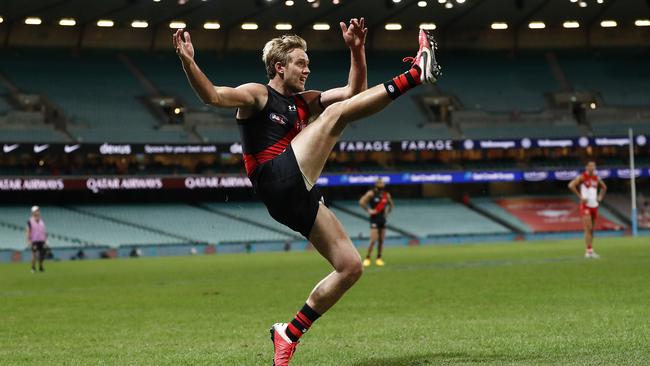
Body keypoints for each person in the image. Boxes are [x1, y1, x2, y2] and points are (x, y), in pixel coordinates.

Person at [174, 19, 440, 365]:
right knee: (334, 115)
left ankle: (289, 333)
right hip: (274, 178)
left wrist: (356, 50)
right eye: (301, 62)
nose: (307, 69)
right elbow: (212, 96)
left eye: (308, 63)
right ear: (279, 66)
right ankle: (416, 75)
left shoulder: (304, 101)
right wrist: (188, 61)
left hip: (297, 195)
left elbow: (354, 95)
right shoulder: (258, 94)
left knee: (350, 267)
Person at [568, 161, 607, 259]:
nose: (592, 167)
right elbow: (571, 185)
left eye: (594, 165)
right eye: (590, 166)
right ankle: (588, 251)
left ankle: (590, 250)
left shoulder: (596, 178)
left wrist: (600, 197)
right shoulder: (582, 177)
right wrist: (580, 197)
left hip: (594, 205)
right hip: (585, 206)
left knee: (592, 230)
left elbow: (604, 187)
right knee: (588, 228)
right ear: (586, 167)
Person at [359, 179, 394, 267]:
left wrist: (387, 213)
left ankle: (379, 258)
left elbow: (391, 205)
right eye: (381, 182)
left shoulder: (386, 195)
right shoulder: (371, 193)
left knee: (381, 240)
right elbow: (361, 202)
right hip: (374, 219)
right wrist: (368, 210)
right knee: (373, 240)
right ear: (376, 184)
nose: (382, 184)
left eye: (383, 183)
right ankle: (367, 258)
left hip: (382, 219)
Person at [26, 205, 47, 273]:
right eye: (36, 211)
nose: (37, 212)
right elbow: (28, 231)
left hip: (42, 240)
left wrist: (46, 240)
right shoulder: (30, 221)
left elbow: (44, 231)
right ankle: (33, 268)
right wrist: (29, 241)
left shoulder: (42, 221)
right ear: (33, 212)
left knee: (42, 255)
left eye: (38, 210)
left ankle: (41, 267)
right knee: (34, 255)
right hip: (34, 240)